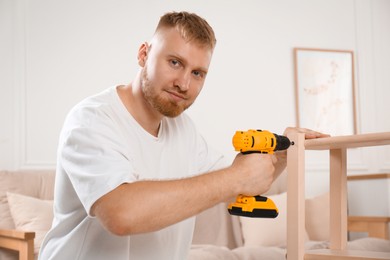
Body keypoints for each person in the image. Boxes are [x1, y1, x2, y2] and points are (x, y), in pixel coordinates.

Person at [39, 11, 328, 260]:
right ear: (144, 54)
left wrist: (281, 154)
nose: (184, 84)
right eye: (175, 62)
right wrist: (236, 178)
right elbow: (120, 214)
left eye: (198, 73)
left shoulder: (184, 129)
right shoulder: (92, 119)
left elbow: (236, 185)